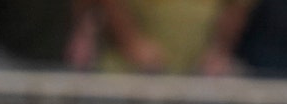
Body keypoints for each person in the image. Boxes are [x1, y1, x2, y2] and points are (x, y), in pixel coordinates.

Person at [93, 0, 259, 75]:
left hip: (198, 76)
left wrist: (219, 49)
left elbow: (237, 8)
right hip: (127, 73)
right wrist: (131, 42)